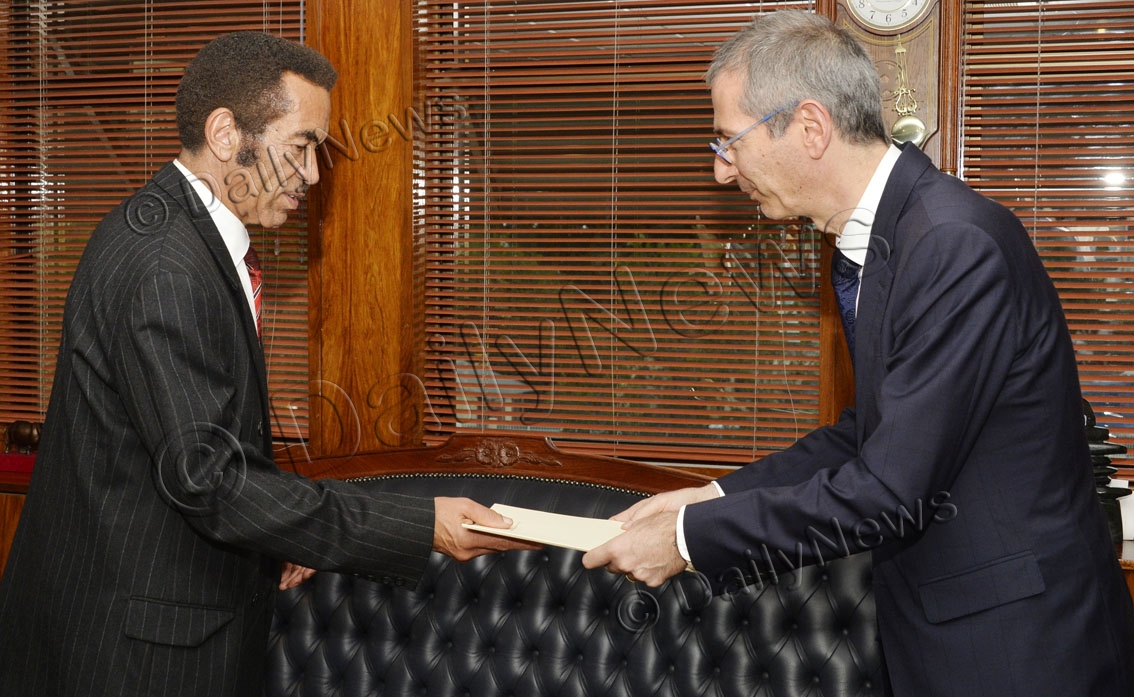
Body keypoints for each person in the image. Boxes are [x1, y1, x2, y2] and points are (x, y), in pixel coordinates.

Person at [582, 10, 1134, 696]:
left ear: (811, 128)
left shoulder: (952, 245)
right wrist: (712, 495)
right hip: (948, 637)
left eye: (730, 141)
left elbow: (890, 490)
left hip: (1021, 650)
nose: (721, 171)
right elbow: (872, 435)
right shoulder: (892, 237)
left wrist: (689, 538)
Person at [0, 32, 534, 697]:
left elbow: (196, 448)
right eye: (302, 146)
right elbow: (209, 481)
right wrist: (421, 525)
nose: (313, 174)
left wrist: (278, 533)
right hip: (135, 653)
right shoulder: (167, 264)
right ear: (226, 133)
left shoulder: (172, 234)